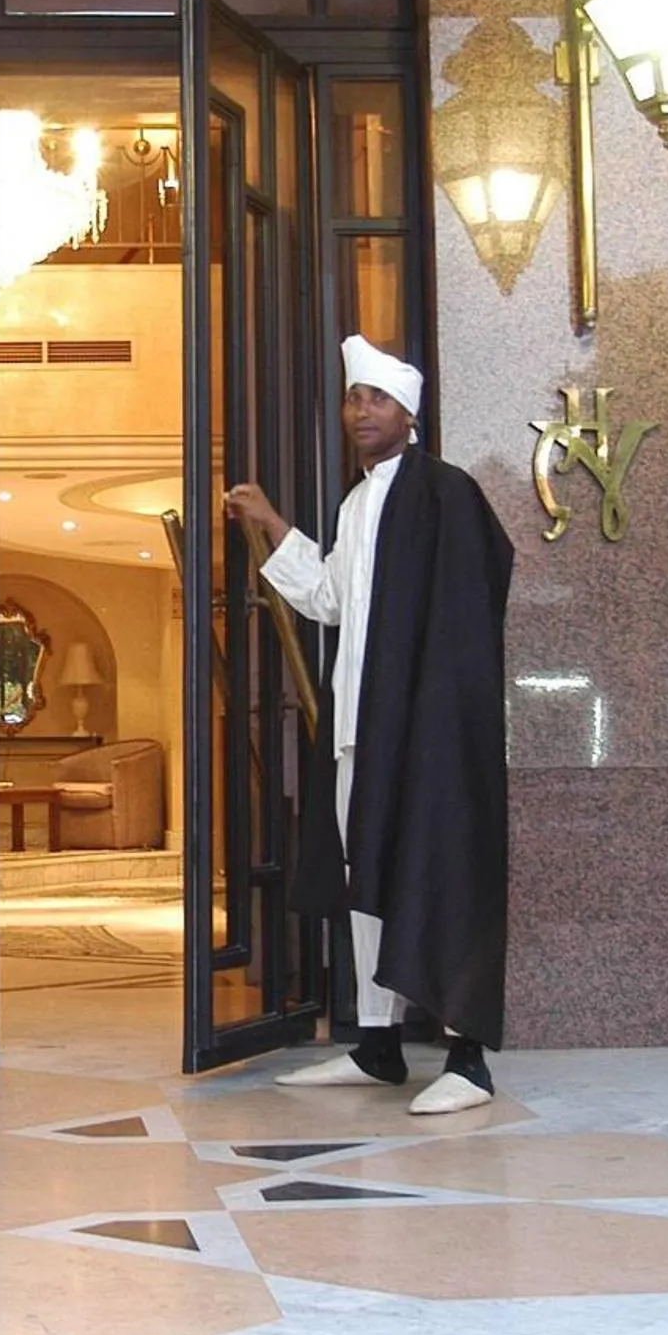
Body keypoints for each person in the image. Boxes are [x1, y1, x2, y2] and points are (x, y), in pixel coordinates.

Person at [224, 335, 513, 1114]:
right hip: (358, 733)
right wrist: (269, 520)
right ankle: (378, 1044)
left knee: (438, 872)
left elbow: (466, 609)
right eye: (354, 398)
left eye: (375, 399)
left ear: (407, 413)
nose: (360, 411)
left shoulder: (445, 494)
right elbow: (326, 599)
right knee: (366, 884)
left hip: (426, 741)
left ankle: (466, 1057)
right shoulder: (356, 504)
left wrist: (435, 718)